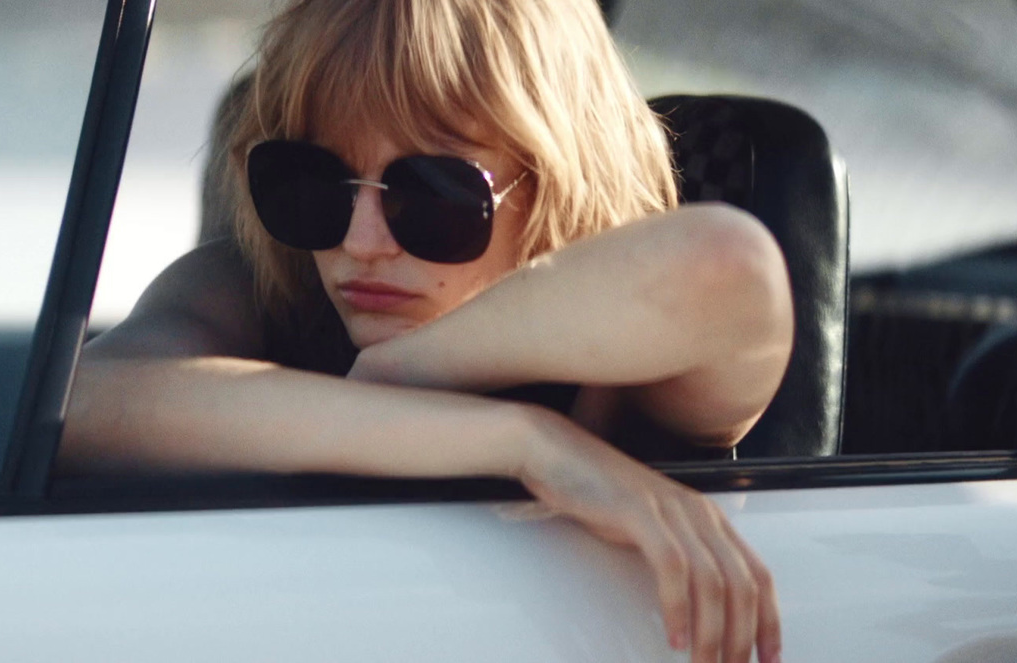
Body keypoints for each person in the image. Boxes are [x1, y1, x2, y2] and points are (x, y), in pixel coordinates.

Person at [62, 1, 792, 661]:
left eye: (435, 194)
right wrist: (525, 442)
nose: (363, 241)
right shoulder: (259, 292)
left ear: (555, 183)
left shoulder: (636, 364)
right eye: (313, 185)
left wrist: (409, 370)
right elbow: (79, 403)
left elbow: (733, 269)